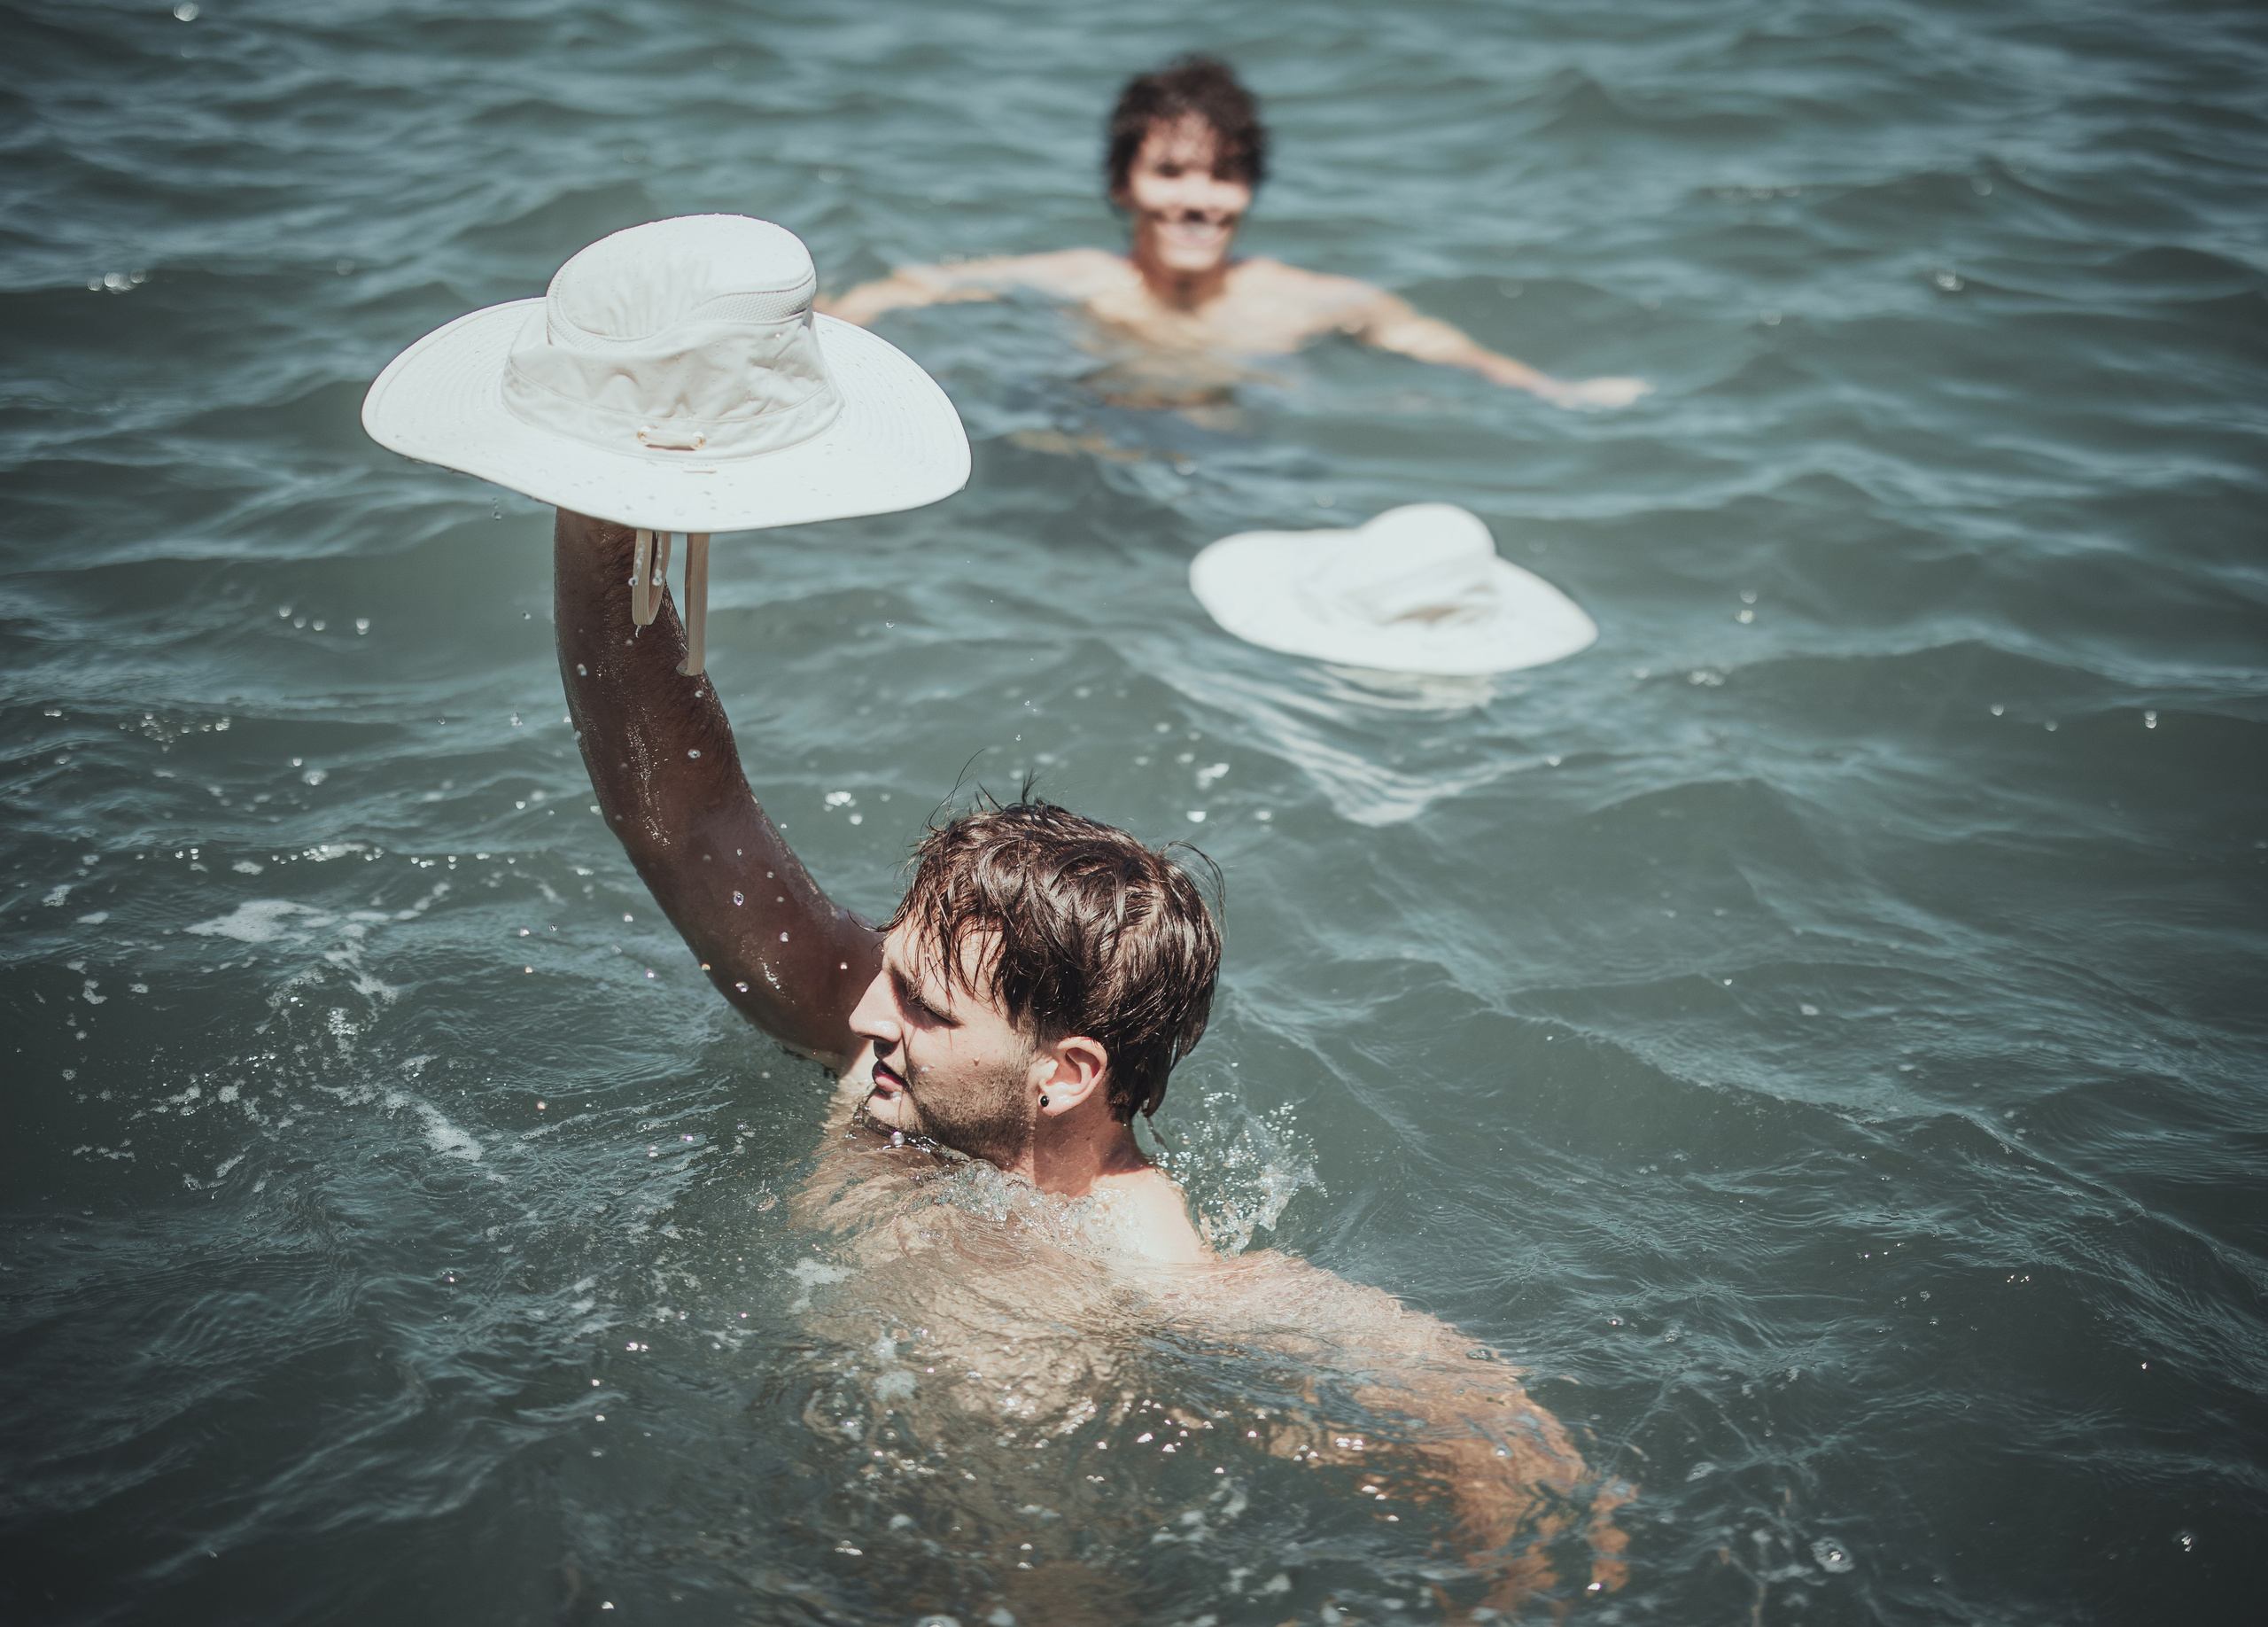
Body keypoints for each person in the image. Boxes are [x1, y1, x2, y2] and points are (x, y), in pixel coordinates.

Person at [364, 213, 1627, 1612]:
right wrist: (609, 491)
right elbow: (681, 814)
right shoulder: (891, 1058)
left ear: (1066, 1073)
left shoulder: (1143, 1266)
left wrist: (1527, 1541)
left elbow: (1457, 1400)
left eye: (919, 1001)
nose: (864, 1005)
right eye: (892, 970)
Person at [823, 56, 1651, 411]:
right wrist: (835, 326)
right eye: (1170, 173)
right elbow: (922, 285)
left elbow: (1433, 344)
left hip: (1235, 463)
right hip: (1096, 438)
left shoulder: (1308, 300)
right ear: (1122, 186)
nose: (1198, 202)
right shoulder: (1083, 276)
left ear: (1249, 191)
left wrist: (1556, 393)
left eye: (1223, 175)